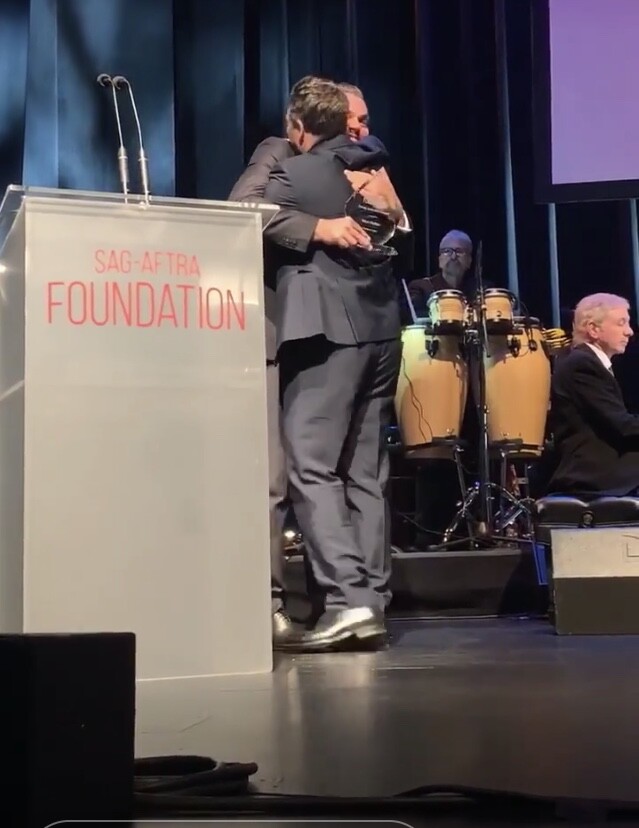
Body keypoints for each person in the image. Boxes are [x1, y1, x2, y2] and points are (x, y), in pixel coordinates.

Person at [228, 78, 407, 646]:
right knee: (346, 473)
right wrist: (324, 225)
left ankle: (354, 600)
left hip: (329, 332)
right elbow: (394, 224)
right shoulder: (353, 166)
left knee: (320, 467)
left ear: (302, 125)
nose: (361, 129)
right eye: (356, 119)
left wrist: (320, 224)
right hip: (368, 331)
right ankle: (360, 601)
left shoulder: (307, 170)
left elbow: (241, 213)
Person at [547, 293, 639, 497]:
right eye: (621, 323)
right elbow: (622, 426)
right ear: (593, 329)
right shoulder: (582, 365)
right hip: (592, 473)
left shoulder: (589, 363)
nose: (629, 331)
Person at [406, 229, 474, 320]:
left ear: (469, 260)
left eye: (459, 251)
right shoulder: (420, 288)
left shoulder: (479, 291)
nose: (453, 257)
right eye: (447, 251)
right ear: (439, 259)